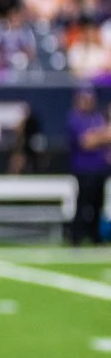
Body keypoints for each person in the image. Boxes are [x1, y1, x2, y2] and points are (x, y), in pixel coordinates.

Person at [68, 86, 110, 246]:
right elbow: (86, 142)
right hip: (83, 169)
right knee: (83, 204)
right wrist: (102, 135)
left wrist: (99, 136)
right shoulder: (75, 118)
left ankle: (95, 236)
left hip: (100, 168)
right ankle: (76, 237)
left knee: (98, 204)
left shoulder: (97, 117)